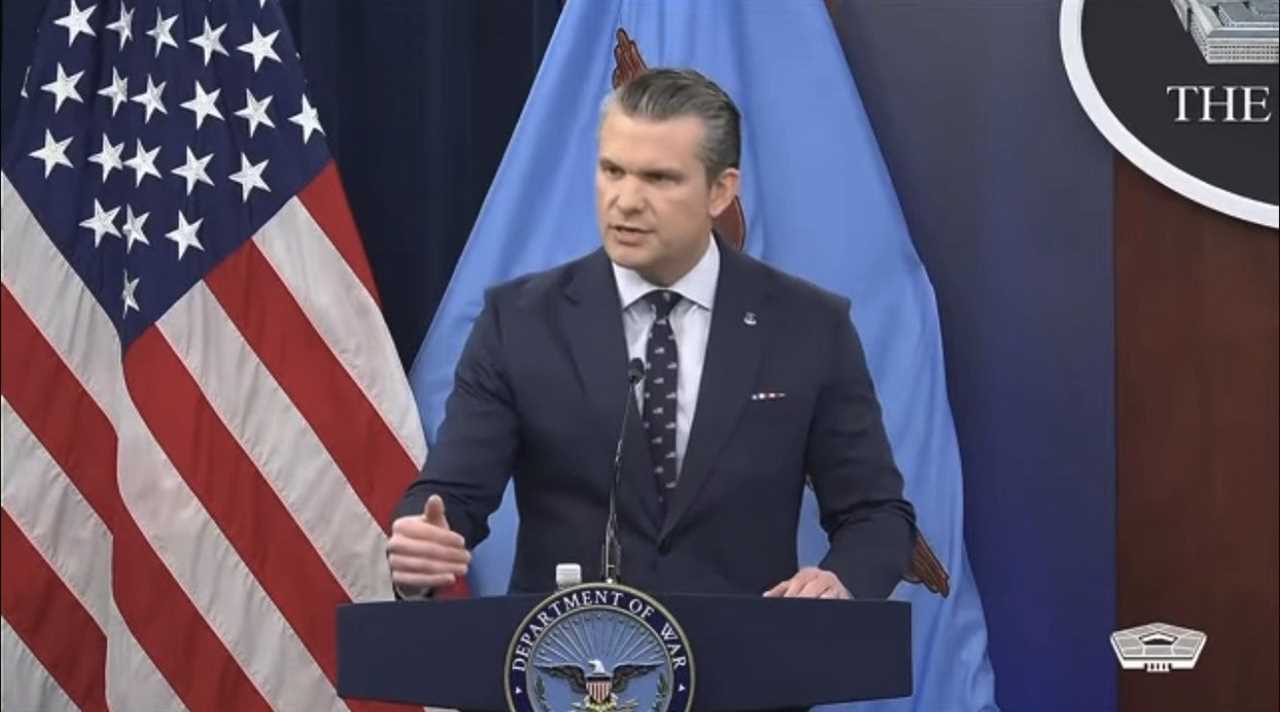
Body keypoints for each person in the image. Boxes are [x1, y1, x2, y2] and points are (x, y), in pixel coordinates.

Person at [386, 68, 916, 603]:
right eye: (612, 171)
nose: (626, 200)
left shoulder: (807, 326)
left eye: (658, 179)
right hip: (572, 670)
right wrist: (422, 546)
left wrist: (842, 579)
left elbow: (875, 514)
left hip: (746, 670)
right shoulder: (520, 321)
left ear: (720, 191)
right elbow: (452, 495)